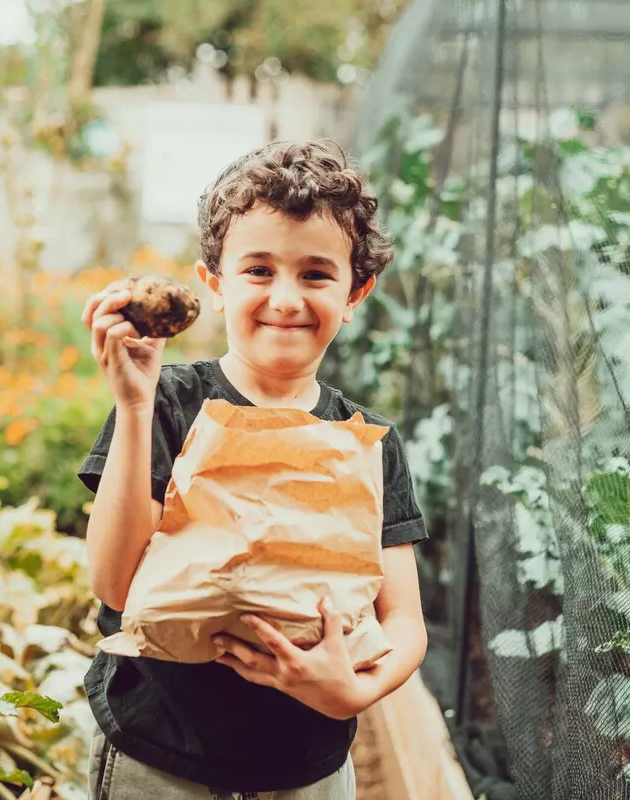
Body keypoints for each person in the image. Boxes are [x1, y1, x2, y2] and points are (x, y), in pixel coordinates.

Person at [77, 139, 429, 800]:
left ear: (356, 291)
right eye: (259, 270)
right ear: (215, 285)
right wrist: (131, 405)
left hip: (309, 766)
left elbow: (404, 619)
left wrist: (354, 690)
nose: (287, 298)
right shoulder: (168, 406)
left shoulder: (367, 443)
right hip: (159, 756)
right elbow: (116, 586)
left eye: (317, 274)